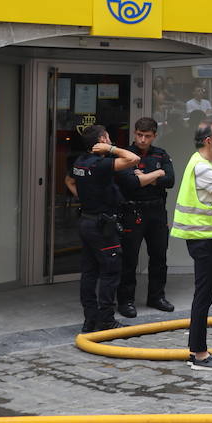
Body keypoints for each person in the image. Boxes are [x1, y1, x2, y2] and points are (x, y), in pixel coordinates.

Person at [171, 122, 212, 372]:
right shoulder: (203, 168)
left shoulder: (198, 162)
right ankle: (199, 354)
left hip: (205, 239)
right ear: (209, 141)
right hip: (207, 241)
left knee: (203, 295)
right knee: (203, 297)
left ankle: (197, 350)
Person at [64, 125, 139, 332]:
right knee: (110, 272)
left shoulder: (80, 162)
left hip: (87, 221)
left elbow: (69, 180)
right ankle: (106, 319)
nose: (111, 140)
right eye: (108, 138)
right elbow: (133, 159)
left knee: (89, 272)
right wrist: (112, 150)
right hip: (102, 225)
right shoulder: (101, 163)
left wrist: (85, 197)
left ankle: (90, 320)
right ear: (101, 141)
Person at [116, 118, 176, 318]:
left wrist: (145, 178)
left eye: (147, 136)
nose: (142, 139)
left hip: (157, 212)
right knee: (129, 259)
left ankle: (156, 297)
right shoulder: (126, 154)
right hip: (132, 212)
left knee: (159, 256)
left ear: (154, 136)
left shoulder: (161, 154)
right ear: (134, 133)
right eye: (139, 135)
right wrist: (156, 175)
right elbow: (129, 183)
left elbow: (170, 180)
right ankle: (126, 301)